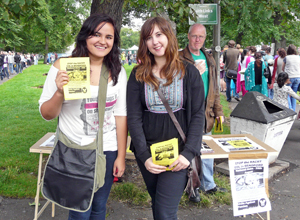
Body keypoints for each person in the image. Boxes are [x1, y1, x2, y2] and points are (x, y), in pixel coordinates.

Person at [39, 13, 127, 220]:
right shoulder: (63, 66)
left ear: (114, 42)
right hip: (74, 150)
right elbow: (47, 114)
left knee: (98, 207)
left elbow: (121, 115)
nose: (102, 41)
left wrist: (121, 156)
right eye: (96, 34)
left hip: (106, 152)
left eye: (109, 37)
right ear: (85, 36)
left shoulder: (117, 71)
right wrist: (60, 92)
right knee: (79, 210)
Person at [127, 17, 205, 219]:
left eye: (159, 34)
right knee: (158, 205)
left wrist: (188, 154)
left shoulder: (189, 73)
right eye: (148, 37)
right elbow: (133, 118)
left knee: (164, 212)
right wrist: (144, 156)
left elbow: (198, 115)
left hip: (178, 154)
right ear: (144, 43)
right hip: (148, 153)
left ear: (169, 36)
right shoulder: (137, 75)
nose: (155, 41)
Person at [179, 23, 226, 201]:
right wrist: (192, 74)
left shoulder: (209, 58)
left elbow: (214, 88)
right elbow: (174, 86)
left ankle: (209, 184)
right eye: (194, 36)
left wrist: (219, 111)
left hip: (206, 113)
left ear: (205, 38)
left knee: (206, 150)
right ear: (188, 36)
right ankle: (192, 186)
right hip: (187, 113)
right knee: (190, 151)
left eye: (201, 37)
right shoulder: (179, 58)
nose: (197, 40)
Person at [282, 44, 300, 111]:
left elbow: (282, 68)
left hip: (289, 77)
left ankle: (290, 109)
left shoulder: (286, 58)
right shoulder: (298, 57)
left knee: (288, 93)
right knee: (294, 94)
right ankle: (294, 110)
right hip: (297, 77)